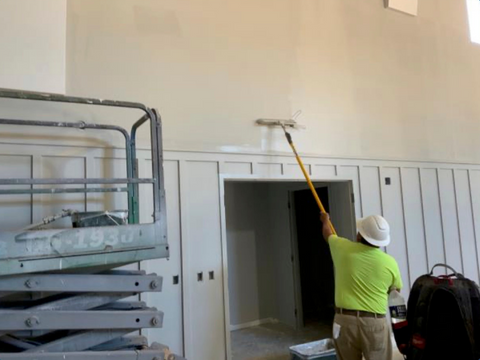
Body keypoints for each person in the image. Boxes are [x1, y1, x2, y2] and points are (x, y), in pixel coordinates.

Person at [320, 212, 403, 360]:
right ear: (381, 241)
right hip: (375, 324)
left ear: (360, 235)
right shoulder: (390, 263)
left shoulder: (342, 248)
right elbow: (395, 291)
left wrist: (325, 220)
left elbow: (328, 233)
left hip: (344, 323)